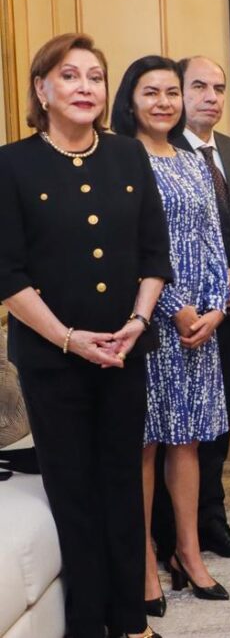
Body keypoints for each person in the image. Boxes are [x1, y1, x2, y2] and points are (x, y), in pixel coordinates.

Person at [0, 34, 170, 638]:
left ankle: (131, 622)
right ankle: (87, 625)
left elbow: (154, 254)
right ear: (42, 90)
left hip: (124, 353)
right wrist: (69, 339)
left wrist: (137, 323)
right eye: (69, 76)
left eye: (95, 77)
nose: (85, 87)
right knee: (73, 491)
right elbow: (8, 275)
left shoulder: (128, 155)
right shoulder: (11, 164)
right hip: (53, 362)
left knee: (123, 485)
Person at [112, 55, 230, 610]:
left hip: (200, 329)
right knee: (145, 443)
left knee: (187, 442)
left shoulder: (190, 160)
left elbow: (213, 240)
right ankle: (144, 562)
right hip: (149, 325)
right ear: (130, 100)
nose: (163, 102)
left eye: (170, 93)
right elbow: (127, 248)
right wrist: (174, 307)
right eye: (150, 92)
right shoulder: (119, 159)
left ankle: (189, 551)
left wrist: (214, 309)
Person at [152, 55, 230, 561]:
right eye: (198, 86)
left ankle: (211, 523)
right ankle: (169, 535)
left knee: (215, 425)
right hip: (173, 315)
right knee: (174, 432)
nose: (211, 97)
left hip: (228, 311)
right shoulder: (160, 150)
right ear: (178, 93)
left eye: (219, 88)